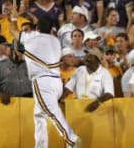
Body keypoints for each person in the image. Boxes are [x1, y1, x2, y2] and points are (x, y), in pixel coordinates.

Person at [11, 16, 82, 148]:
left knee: (51, 112)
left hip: (43, 82)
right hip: (56, 82)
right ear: (51, 29)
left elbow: (13, 30)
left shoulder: (32, 37)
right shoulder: (55, 40)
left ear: (37, 28)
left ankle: (71, 138)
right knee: (39, 116)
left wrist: (14, 17)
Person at [64, 47, 115, 112]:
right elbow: (68, 88)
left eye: (90, 56)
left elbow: (109, 94)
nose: (87, 57)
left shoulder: (105, 73)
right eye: (87, 55)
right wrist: (58, 100)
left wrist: (97, 102)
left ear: (98, 60)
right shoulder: (80, 70)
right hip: (79, 107)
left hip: (97, 109)